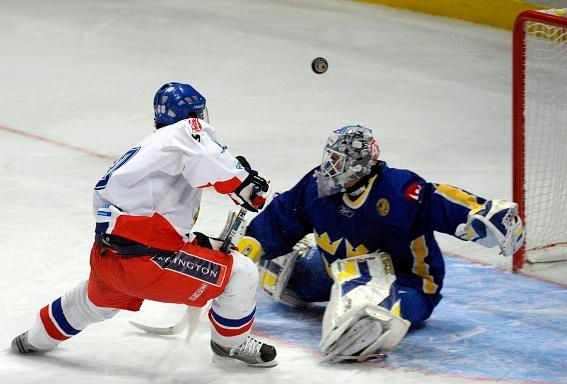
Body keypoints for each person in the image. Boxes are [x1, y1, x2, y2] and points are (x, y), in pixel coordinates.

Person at [11, 82, 278, 368]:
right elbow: (212, 160)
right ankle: (231, 344)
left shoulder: (147, 150)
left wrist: (194, 242)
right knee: (242, 272)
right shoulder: (185, 131)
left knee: (92, 304)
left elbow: (129, 216)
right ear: (191, 114)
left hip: (108, 259)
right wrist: (248, 187)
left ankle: (33, 339)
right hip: (148, 265)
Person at [237, 124, 524, 363]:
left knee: (365, 312)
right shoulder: (316, 185)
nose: (329, 167)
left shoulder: (398, 190)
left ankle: (373, 316)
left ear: (360, 165)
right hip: (334, 271)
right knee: (282, 279)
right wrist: (253, 243)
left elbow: (439, 200)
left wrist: (480, 213)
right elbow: (286, 212)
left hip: (408, 283)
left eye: (338, 161)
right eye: (329, 158)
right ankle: (327, 285)